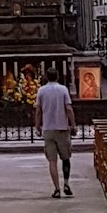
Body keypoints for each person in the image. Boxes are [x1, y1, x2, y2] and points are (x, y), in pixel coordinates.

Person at [34, 67, 77, 197]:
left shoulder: (41, 90)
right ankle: (66, 183)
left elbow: (38, 111)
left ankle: (57, 189)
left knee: (52, 161)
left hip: (48, 128)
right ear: (57, 76)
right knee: (66, 157)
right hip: (62, 128)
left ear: (46, 77)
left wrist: (37, 126)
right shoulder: (63, 89)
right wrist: (73, 124)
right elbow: (68, 108)